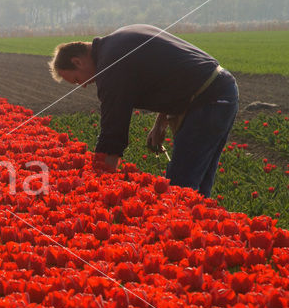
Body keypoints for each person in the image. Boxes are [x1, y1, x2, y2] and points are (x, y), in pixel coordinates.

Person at [49, 24, 239, 198]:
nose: (81, 86)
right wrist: (160, 123)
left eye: (76, 80)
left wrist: (101, 188)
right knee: (198, 187)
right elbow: (166, 71)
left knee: (181, 189)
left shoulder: (110, 66)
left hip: (208, 100)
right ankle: (202, 229)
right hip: (220, 90)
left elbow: (112, 132)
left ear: (78, 62)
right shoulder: (119, 40)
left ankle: (190, 230)